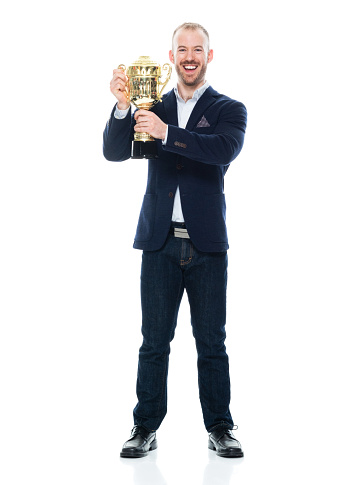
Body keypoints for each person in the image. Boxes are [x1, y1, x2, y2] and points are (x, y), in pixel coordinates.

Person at [103, 22, 247, 458]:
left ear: (208, 56)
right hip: (159, 242)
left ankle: (220, 428)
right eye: (181, 49)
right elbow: (113, 151)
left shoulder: (229, 108)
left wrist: (167, 133)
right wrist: (125, 108)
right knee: (153, 341)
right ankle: (144, 427)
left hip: (207, 245)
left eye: (196, 49)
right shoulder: (153, 103)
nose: (189, 56)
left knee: (212, 342)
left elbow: (221, 149)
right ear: (170, 58)